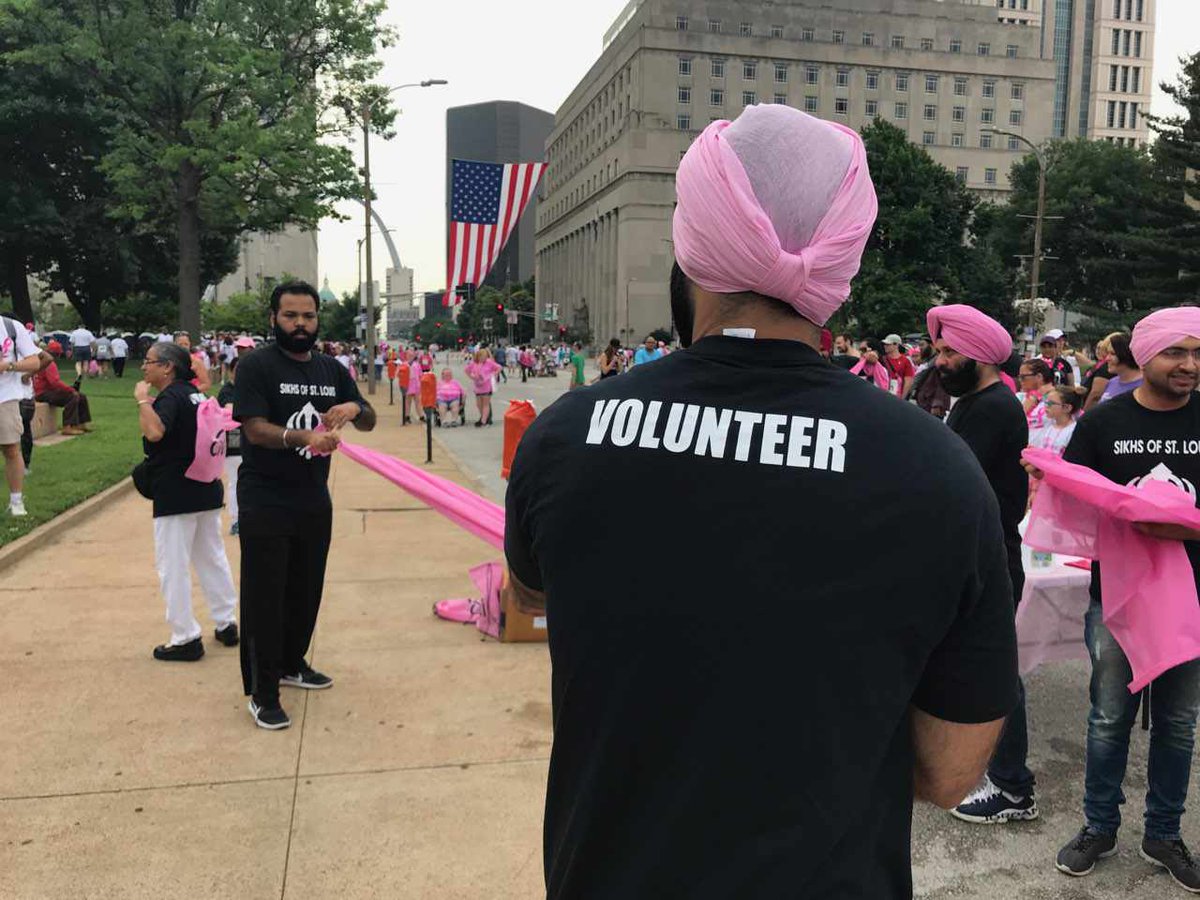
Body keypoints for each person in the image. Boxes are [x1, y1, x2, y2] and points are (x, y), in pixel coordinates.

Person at [505, 105, 1018, 898]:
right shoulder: (939, 471)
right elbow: (950, 772)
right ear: (841, 264)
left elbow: (528, 601)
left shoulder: (565, 438)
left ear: (690, 247)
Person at [1024, 307, 1200, 888]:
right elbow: (1076, 497)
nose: (1190, 365)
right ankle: (1099, 826)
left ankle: (1164, 833)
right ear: (1145, 355)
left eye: (1198, 354)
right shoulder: (1103, 423)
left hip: (1192, 602)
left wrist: (1183, 527)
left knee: (1177, 722)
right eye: (1177, 352)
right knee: (1107, 718)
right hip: (1116, 596)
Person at [233, 281, 376, 730]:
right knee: (265, 594)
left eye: (308, 316)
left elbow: (368, 418)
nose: (300, 324)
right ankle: (264, 691)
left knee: (305, 587)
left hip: (313, 495)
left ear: (318, 319)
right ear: (274, 318)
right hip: (264, 495)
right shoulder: (256, 365)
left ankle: (293, 662)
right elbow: (254, 429)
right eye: (291, 316)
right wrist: (303, 437)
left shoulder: (332, 368)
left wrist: (353, 405)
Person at [927, 305, 1038, 828]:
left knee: (999, 673)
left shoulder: (992, 407)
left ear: (982, 355)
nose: (940, 360)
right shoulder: (973, 401)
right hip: (975, 553)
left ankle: (1013, 787)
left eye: (950, 352)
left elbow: (954, 483)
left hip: (990, 558)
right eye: (940, 350)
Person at [135, 341, 238, 661]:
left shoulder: (171, 396)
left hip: (176, 491)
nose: (144, 367)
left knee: (173, 565)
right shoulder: (196, 395)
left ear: (167, 367)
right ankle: (226, 622)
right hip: (204, 487)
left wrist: (141, 400)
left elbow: (154, 433)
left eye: (149, 362)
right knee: (211, 557)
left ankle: (185, 636)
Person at [34, 341, 92, 436]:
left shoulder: (43, 361)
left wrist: (67, 389)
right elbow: (55, 382)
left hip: (46, 391)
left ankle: (80, 424)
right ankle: (67, 427)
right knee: (72, 397)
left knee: (81, 396)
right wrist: (70, 390)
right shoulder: (49, 364)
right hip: (42, 393)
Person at [216, 358, 243, 535]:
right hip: (234, 441)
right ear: (232, 372)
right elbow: (230, 408)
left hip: (252, 440)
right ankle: (236, 520)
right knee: (235, 481)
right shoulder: (227, 391)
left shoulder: (251, 389)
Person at [1029, 386, 1081, 456]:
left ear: (1067, 408)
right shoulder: (1048, 426)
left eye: (1050, 403)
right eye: (1045, 401)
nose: (1046, 406)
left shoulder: (1073, 431)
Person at [1097, 332, 1142, 403]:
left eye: (1113, 354)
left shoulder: (1145, 386)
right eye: (1108, 353)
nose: (1107, 358)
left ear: (1125, 354)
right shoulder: (1112, 382)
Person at [1017, 358, 1054, 443]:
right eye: (1019, 377)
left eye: (1023, 377)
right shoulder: (1020, 396)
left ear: (1039, 377)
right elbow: (1015, 421)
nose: (1020, 380)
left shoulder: (1055, 399)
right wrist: (1033, 398)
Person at [464, 348, 502, 427]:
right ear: (478, 356)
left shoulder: (489, 362)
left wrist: (493, 374)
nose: (483, 358)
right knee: (478, 404)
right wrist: (472, 376)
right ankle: (484, 417)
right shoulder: (474, 363)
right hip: (478, 385)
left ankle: (484, 420)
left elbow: (499, 367)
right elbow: (467, 370)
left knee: (485, 403)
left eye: (485, 356)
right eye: (482, 356)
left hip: (487, 384)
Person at [1082, 334, 1117, 412]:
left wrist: (1084, 414)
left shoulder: (1106, 368)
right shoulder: (1098, 365)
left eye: (1102, 348)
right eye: (1097, 348)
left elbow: (1096, 394)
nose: (1099, 350)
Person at [881, 334, 915, 398]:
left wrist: (902, 398)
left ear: (896, 345)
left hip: (898, 395)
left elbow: (908, 381)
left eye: (888, 344)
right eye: (884, 344)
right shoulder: (882, 359)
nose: (885, 346)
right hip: (883, 394)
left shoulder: (905, 361)